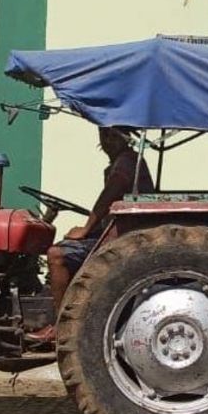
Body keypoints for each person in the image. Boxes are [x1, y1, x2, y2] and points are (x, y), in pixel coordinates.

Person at [42, 126, 154, 323]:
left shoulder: (126, 162)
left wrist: (86, 228)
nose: (108, 140)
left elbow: (109, 195)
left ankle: (61, 325)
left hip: (121, 236)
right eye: (104, 134)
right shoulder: (125, 162)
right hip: (117, 230)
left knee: (56, 254)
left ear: (126, 136)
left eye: (113, 134)